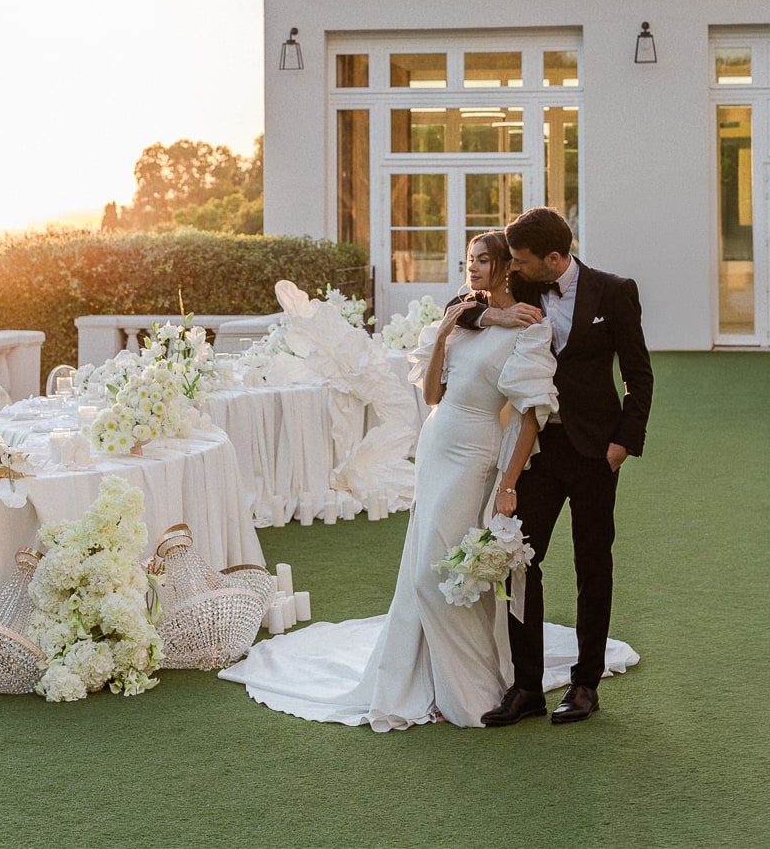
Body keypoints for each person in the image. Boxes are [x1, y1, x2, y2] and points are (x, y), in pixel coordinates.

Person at [221, 230, 638, 729]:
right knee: (487, 565)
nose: (478, 268)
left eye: (490, 260)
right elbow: (442, 372)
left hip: (545, 450)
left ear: (528, 263)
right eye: (472, 260)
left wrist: (619, 442)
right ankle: (510, 685)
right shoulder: (478, 307)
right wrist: (465, 323)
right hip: (458, 451)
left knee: (572, 563)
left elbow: (615, 380)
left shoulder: (575, 302)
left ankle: (565, 682)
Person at [481, 206, 654, 728]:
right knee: (519, 560)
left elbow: (638, 373)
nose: (513, 267)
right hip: (536, 450)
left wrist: (624, 442)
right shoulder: (521, 283)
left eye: (522, 260)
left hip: (596, 451)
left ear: (554, 258)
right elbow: (463, 303)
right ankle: (527, 686)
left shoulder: (614, 290)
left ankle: (585, 684)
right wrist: (494, 313)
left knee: (592, 563)